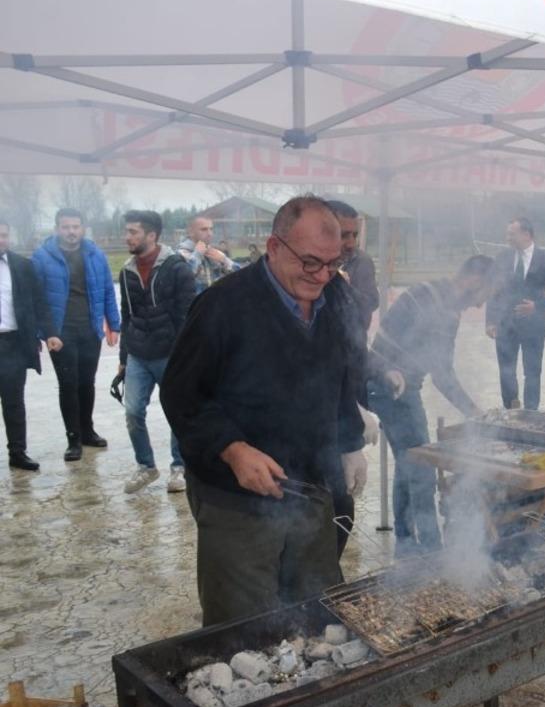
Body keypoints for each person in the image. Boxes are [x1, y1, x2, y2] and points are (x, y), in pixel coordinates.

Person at [161, 196, 368, 627]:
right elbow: (182, 395)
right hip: (237, 499)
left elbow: (343, 376)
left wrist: (350, 443)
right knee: (244, 627)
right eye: (310, 262)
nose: (321, 276)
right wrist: (233, 449)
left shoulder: (338, 295)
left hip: (312, 487)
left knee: (319, 614)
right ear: (274, 247)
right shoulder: (223, 306)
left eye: (332, 263)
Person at [369, 255, 493, 553]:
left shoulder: (432, 292)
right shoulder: (441, 307)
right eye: (485, 293)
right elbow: (442, 374)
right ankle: (430, 550)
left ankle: (405, 540)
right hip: (392, 386)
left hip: (381, 383)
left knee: (407, 460)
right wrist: (473, 411)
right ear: (474, 280)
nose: (480, 305)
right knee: (422, 466)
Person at [115, 211, 195, 494]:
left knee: (177, 413)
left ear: (151, 235)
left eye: (133, 232)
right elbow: (127, 315)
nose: (128, 237)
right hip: (138, 353)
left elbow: (188, 316)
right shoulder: (126, 271)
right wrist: (123, 359)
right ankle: (146, 466)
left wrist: (186, 357)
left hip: (170, 354)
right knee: (133, 412)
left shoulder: (177, 268)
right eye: (127, 231)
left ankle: (179, 468)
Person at [32, 208, 121, 461]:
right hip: (61, 333)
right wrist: (46, 332)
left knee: (87, 382)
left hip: (89, 330)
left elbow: (106, 291)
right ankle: (73, 439)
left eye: (75, 227)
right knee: (68, 385)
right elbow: (38, 299)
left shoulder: (95, 255)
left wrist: (113, 325)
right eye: (65, 227)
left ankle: (87, 431)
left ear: (83, 228)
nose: (71, 232)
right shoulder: (42, 257)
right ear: (57, 228)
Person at [0, 220, 62, 471]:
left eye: (4, 235)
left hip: (12, 343)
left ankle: (17, 452)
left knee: (14, 401)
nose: (1, 240)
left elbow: (39, 303)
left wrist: (50, 333)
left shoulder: (22, 266)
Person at [485, 217, 545, 410]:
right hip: (505, 326)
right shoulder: (502, 257)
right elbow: (492, 290)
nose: (508, 237)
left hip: (533, 326)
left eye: (512, 234)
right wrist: (490, 320)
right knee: (506, 372)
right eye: (508, 233)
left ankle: (531, 413)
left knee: (532, 373)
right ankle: (511, 410)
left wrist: (538, 306)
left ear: (526, 234)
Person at [327, 200, 379, 337]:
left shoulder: (361, 261)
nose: (351, 244)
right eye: (344, 235)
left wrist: (344, 287)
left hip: (350, 343)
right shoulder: (309, 262)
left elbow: (371, 302)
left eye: (354, 235)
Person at [177, 215, 239, 295]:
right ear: (191, 232)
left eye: (211, 229)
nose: (209, 233)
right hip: (194, 306)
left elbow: (240, 275)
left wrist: (224, 260)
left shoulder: (215, 253)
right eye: (204, 229)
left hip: (215, 304)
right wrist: (197, 254)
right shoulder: (181, 254)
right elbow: (184, 279)